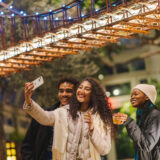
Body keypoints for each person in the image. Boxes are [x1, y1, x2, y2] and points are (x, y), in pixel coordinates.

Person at [23, 77, 113, 160]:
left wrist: (93, 130)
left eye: (87, 89)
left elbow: (104, 150)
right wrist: (28, 100)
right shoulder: (64, 111)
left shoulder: (102, 118)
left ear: (93, 94)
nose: (81, 91)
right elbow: (45, 118)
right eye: (80, 87)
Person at [21, 77, 79, 160]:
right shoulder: (42, 113)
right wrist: (28, 99)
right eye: (61, 91)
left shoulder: (79, 116)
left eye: (69, 91)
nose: (64, 94)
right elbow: (27, 144)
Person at [113, 84, 160, 160]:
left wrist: (129, 122)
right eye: (131, 95)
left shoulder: (155, 115)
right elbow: (140, 143)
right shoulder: (141, 115)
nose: (132, 97)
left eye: (136, 94)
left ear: (147, 97)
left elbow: (147, 145)